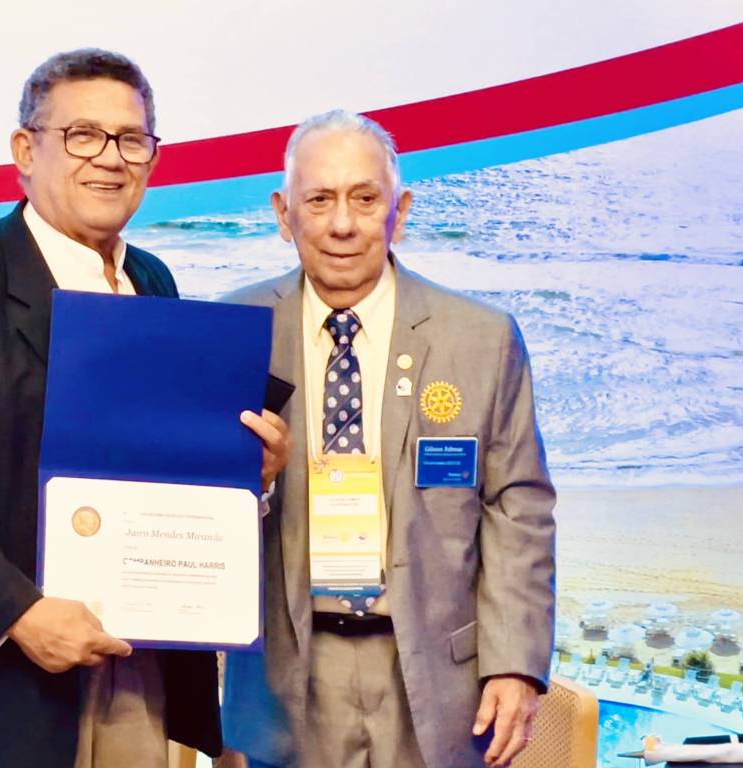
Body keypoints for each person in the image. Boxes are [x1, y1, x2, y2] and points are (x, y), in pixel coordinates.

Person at [0, 48, 289, 768]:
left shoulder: (153, 279)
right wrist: (19, 614)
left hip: (134, 669)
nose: (110, 158)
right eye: (82, 135)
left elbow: (157, 465)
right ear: (26, 151)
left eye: (132, 139)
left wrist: (244, 472)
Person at [221, 110, 556, 768]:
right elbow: (198, 503)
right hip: (286, 682)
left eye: (365, 199)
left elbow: (518, 507)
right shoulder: (232, 329)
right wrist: (253, 483)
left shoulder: (481, 338)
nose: (342, 224)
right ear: (283, 214)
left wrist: (515, 662)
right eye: (319, 200)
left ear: (399, 212)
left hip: (438, 681)